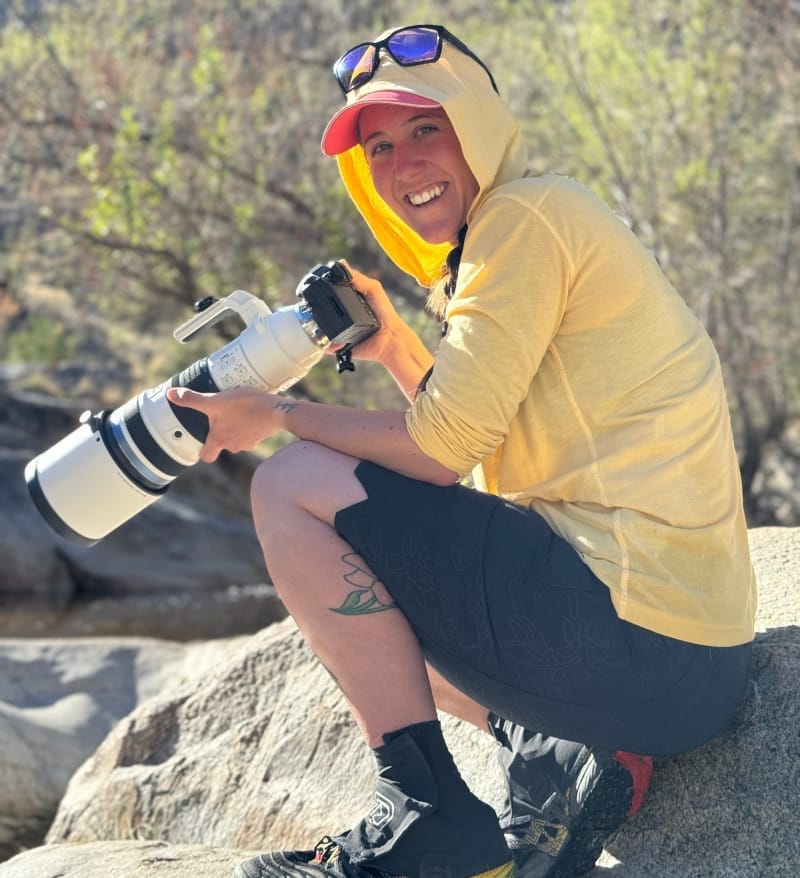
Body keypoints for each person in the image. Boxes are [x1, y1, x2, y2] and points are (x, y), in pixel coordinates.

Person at [167, 23, 756, 878]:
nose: (403, 165)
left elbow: (439, 455)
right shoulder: (530, 226)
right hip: (688, 667)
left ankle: (427, 814)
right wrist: (401, 348)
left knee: (291, 487)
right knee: (374, 544)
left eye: (424, 130)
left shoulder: (523, 218)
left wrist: (280, 414)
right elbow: (477, 466)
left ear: (477, 125)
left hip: (639, 643)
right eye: (378, 148)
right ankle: (554, 746)